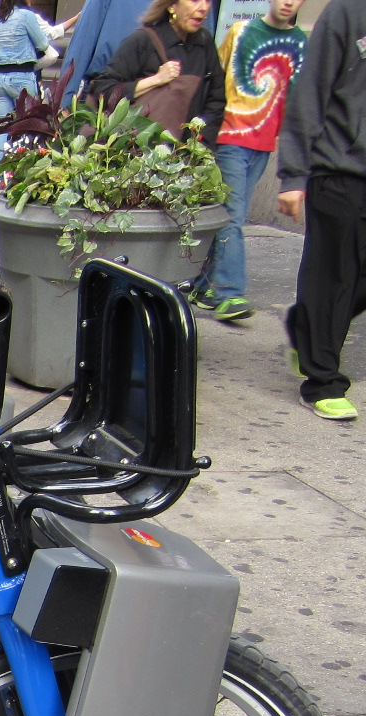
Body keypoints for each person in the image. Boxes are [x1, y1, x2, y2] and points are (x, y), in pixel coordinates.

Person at [188, 0, 306, 324]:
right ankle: (229, 292)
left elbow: (297, 102)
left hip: (263, 145)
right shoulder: (240, 32)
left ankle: (202, 285)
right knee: (232, 215)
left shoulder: (300, 43)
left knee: (227, 214)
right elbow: (213, 80)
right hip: (230, 138)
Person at [277, 0, 366, 420]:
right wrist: (294, 175)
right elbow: (310, 92)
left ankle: (307, 327)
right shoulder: (346, 12)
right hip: (338, 168)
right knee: (333, 275)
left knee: (347, 282)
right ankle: (322, 382)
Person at [87, 0, 224, 143]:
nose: (203, 8)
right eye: (194, 0)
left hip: (188, 151)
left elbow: (217, 99)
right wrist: (155, 80)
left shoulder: (204, 42)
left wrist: (200, 142)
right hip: (139, 150)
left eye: (207, 1)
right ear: (171, 6)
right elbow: (104, 89)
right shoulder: (143, 40)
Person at [0, 0, 50, 167]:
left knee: (1, 124)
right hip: (22, 77)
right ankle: (25, 166)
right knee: (29, 123)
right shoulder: (26, 16)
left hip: (0, 78)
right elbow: (43, 44)